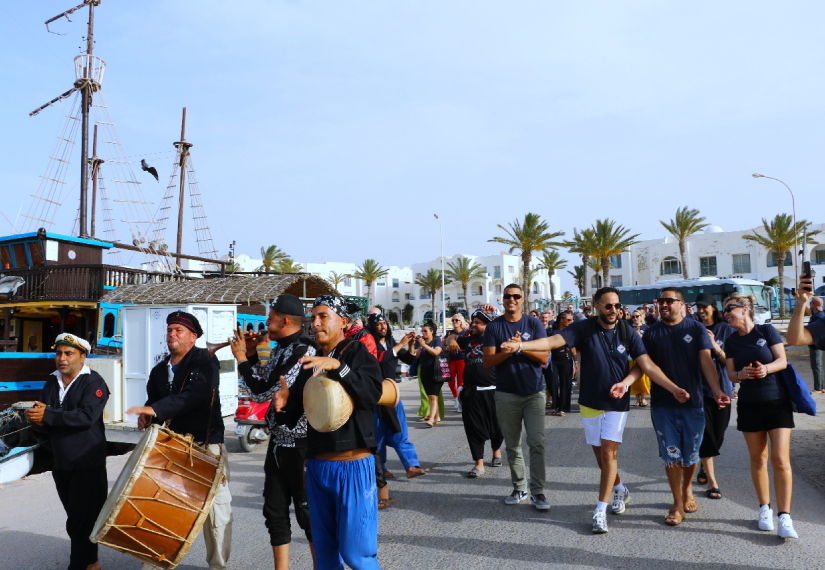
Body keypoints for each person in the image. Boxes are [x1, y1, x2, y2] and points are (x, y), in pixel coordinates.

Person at [504, 286, 690, 533]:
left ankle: (599, 511)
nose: (613, 310)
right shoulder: (584, 328)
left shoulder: (627, 332)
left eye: (617, 306)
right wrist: (521, 346)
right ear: (596, 306)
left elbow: (646, 365)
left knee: (608, 454)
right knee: (600, 455)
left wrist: (671, 387)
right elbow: (553, 340)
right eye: (608, 306)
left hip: (616, 403)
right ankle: (620, 490)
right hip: (590, 402)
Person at [273, 295, 385, 568]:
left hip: (352, 465)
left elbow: (373, 392)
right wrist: (284, 405)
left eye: (324, 316)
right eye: (314, 317)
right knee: (324, 555)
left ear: (343, 322)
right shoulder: (312, 360)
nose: (316, 322)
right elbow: (303, 414)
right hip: (317, 467)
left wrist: (340, 368)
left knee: (357, 554)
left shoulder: (356, 351)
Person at [126, 311, 232, 570]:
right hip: (172, 448)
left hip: (207, 446)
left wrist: (155, 409)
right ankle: (153, 563)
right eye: (169, 330)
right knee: (157, 505)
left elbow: (196, 395)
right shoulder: (159, 371)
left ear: (193, 337)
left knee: (217, 512)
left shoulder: (205, 361)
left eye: (179, 330)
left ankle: (218, 566)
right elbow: (154, 400)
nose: (172, 334)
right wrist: (148, 414)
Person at [228, 294, 316, 569]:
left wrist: (242, 357)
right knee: (274, 511)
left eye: (270, 317)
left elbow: (262, 391)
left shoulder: (304, 351)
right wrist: (253, 354)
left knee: (308, 514)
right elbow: (263, 378)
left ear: (285, 320)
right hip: (279, 443)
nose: (265, 323)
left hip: (302, 446)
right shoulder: (281, 347)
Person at [640, 288, 729, 527]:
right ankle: (677, 502)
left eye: (669, 300)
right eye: (661, 301)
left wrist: (718, 389)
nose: (664, 304)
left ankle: (687, 488)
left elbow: (706, 361)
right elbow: (643, 364)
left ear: (681, 304)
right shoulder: (651, 332)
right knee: (671, 455)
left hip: (694, 403)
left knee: (690, 455)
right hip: (663, 404)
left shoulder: (695, 328)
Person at [26, 334, 109, 570]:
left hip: (87, 462)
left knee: (81, 521)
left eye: (68, 353)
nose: (62, 358)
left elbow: (87, 416)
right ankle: (91, 563)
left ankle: (80, 565)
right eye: (59, 353)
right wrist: (37, 420)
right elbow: (44, 419)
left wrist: (49, 415)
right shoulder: (51, 382)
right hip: (61, 461)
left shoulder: (94, 382)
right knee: (76, 519)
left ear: (83, 357)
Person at [725, 292, 797, 539]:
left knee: (780, 460)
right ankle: (764, 508)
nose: (726, 314)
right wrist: (741, 375)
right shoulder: (731, 341)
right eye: (724, 310)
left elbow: (782, 361)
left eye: (730, 309)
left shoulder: (767, 331)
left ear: (745, 309)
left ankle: (785, 517)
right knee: (758, 459)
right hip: (750, 404)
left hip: (777, 401)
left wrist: (765, 369)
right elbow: (731, 374)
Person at [482, 283, 551, 511]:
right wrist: (506, 351)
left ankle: (538, 492)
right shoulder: (494, 327)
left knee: (536, 444)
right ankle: (519, 487)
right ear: (502, 299)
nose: (512, 299)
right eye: (507, 296)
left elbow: (543, 358)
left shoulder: (534, 324)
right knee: (512, 445)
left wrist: (520, 347)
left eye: (516, 296)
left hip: (533, 393)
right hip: (506, 394)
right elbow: (488, 362)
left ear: (523, 299)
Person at [366, 312, 429, 485]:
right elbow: (380, 360)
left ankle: (411, 466)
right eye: (378, 324)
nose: (382, 326)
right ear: (372, 326)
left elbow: (408, 359)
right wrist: (400, 344)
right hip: (376, 396)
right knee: (377, 436)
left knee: (400, 431)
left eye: (384, 323)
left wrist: (409, 345)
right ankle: (381, 469)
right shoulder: (370, 344)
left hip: (392, 395)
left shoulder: (390, 343)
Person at [694, 293, 735, 500]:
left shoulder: (725, 330)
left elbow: (732, 362)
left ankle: (703, 463)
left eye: (705, 307)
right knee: (706, 436)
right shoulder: (693, 329)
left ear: (713, 307)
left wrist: (715, 346)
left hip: (723, 390)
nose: (701, 311)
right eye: (698, 307)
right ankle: (712, 482)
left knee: (718, 434)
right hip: (699, 390)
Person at [457, 309, 503, 477]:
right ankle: (479, 464)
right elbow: (450, 339)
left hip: (493, 390)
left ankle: (496, 451)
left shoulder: (496, 340)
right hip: (472, 391)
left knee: (498, 427)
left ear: (487, 325)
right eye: (473, 321)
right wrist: (456, 337)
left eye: (477, 322)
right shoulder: (467, 340)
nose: (473, 324)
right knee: (473, 428)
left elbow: (503, 325)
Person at [410, 322, 444, 427]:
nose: (423, 333)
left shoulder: (436, 340)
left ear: (432, 331)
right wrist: (412, 343)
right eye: (422, 330)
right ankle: (437, 416)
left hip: (436, 371)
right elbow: (415, 355)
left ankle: (432, 418)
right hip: (424, 371)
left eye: (425, 330)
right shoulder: (421, 341)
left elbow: (436, 352)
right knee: (431, 395)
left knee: (433, 396)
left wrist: (424, 345)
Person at [547, 310, 577, 416]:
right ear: (561, 319)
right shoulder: (551, 331)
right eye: (568, 320)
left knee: (566, 384)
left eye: (572, 320)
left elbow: (573, 348)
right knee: (552, 383)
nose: (570, 322)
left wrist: (576, 362)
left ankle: (563, 407)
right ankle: (555, 406)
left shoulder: (570, 331)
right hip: (552, 360)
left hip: (566, 358)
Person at [446, 314, 469, 412]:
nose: (454, 322)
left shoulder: (466, 333)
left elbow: (469, 345)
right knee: (450, 381)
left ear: (461, 322)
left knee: (461, 382)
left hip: (462, 359)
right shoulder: (449, 333)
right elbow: (443, 344)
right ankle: (456, 397)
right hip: (452, 360)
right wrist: (448, 347)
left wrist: (460, 348)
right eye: (453, 320)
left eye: (456, 320)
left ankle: (460, 401)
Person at [628, 310, 650, 407]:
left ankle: (644, 399)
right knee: (635, 379)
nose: (635, 318)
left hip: (643, 355)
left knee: (643, 379)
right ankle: (637, 399)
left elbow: (647, 341)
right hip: (632, 357)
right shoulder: (629, 328)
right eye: (633, 317)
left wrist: (638, 334)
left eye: (637, 316)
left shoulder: (646, 328)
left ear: (641, 317)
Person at [807, 296, 824, 393]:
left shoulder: (818, 317)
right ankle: (821, 386)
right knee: (818, 365)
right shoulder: (819, 314)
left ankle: (818, 387)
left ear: (814, 304)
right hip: (817, 343)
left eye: (811, 303)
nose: (810, 305)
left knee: (816, 365)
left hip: (816, 344)